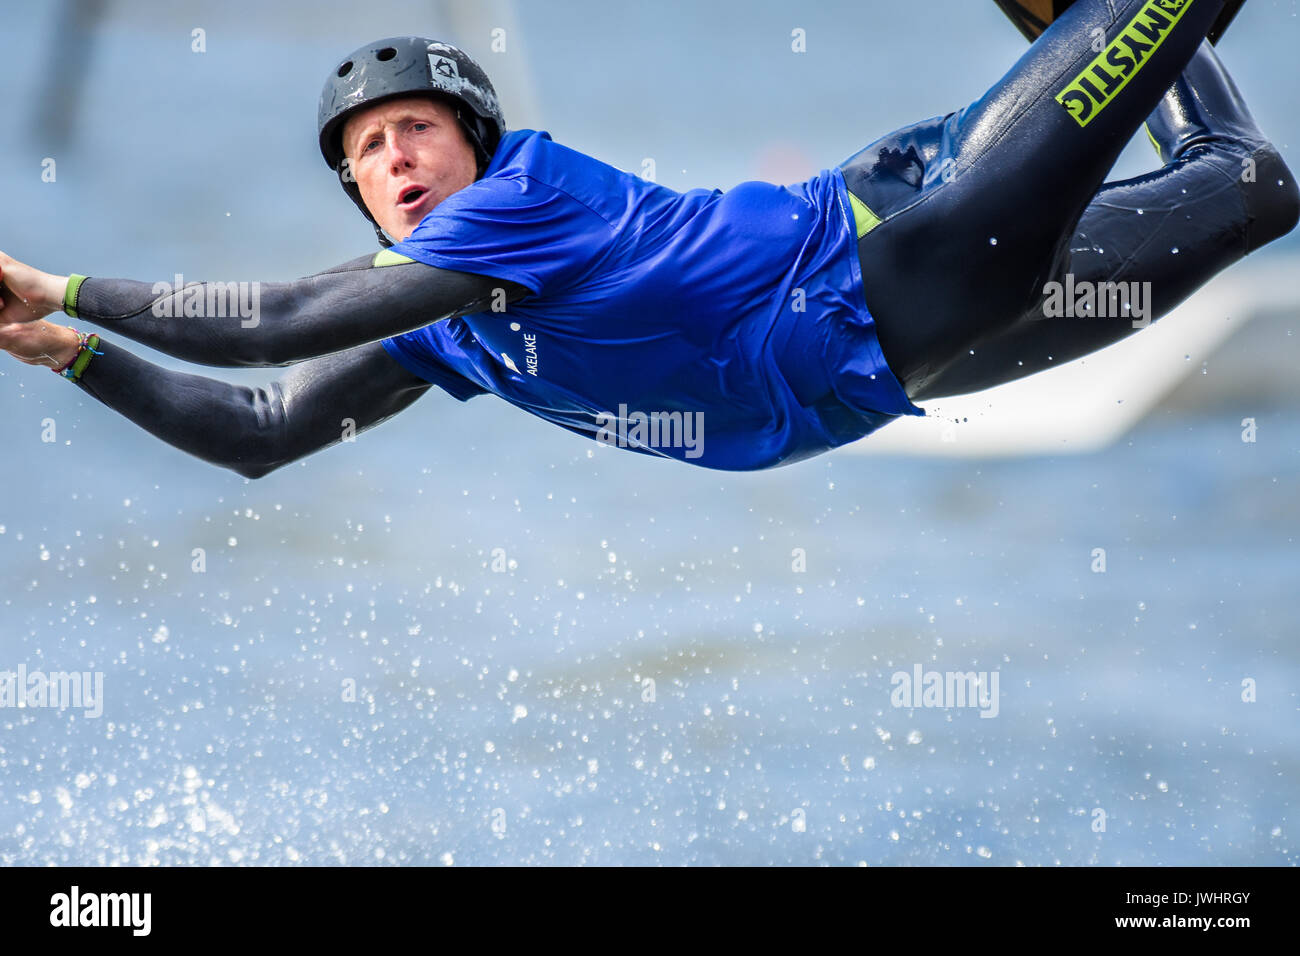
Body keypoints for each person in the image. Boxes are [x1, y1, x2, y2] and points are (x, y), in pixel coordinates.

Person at [1, 0, 1295, 478]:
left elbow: (280, 321)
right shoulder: (445, 327)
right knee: (1247, 188)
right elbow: (264, 428)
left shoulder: (519, 202)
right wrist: (70, 351)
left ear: (472, 148)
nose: (393, 159)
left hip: (905, 253)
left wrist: (61, 276)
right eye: (367, 153)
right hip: (896, 371)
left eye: (415, 132)